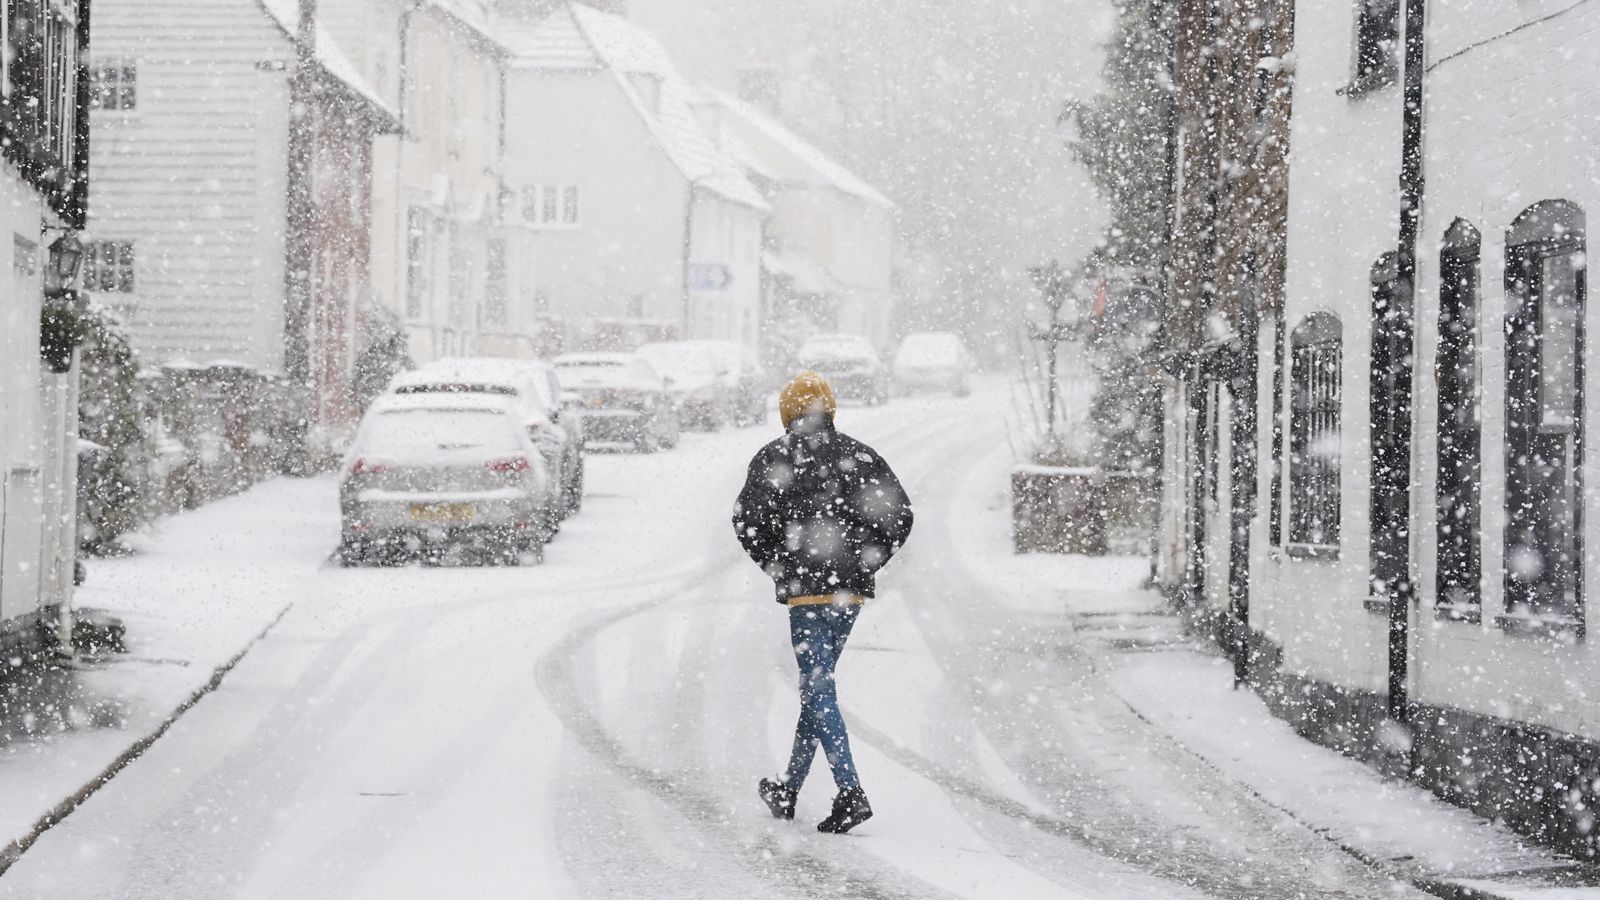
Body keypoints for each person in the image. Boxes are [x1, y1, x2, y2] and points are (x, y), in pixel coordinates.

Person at [732, 371, 914, 834]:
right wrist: (867, 562)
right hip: (847, 592)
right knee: (819, 689)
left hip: (807, 594)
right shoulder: (860, 456)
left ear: (786, 412)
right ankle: (788, 788)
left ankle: (850, 791)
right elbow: (900, 514)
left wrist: (779, 565)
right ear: (829, 409)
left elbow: (747, 522)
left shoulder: (775, 457)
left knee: (817, 690)